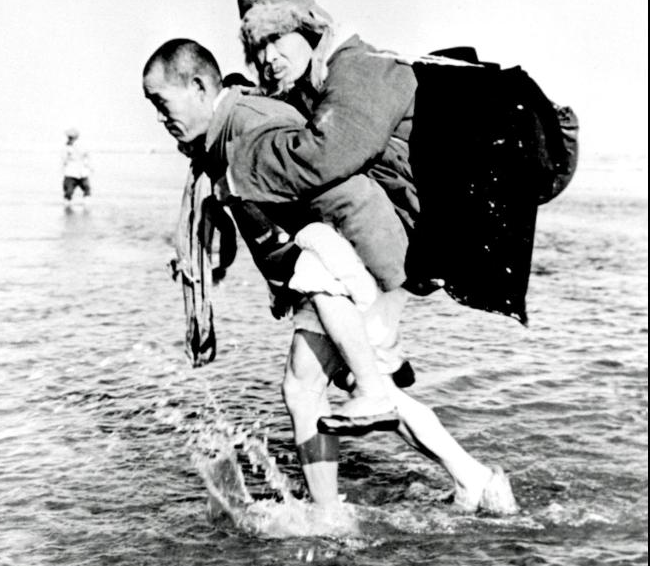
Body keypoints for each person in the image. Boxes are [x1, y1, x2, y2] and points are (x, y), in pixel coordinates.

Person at [142, 39, 516, 516]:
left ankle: (329, 516)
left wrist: (386, 283)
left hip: (337, 273)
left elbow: (337, 188)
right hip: (325, 278)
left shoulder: (251, 122)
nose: (159, 116)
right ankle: (475, 479)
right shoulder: (223, 135)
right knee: (370, 395)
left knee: (305, 390)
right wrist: (214, 262)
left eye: (160, 102)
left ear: (197, 86)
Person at [62, 127, 92, 201]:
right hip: (72, 173)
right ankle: (68, 208)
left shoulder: (78, 146)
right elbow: (64, 160)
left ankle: (85, 207)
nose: (70, 138)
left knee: (86, 190)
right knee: (69, 192)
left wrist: (88, 166)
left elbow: (86, 156)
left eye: (71, 137)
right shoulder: (67, 147)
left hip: (80, 173)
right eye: (69, 137)